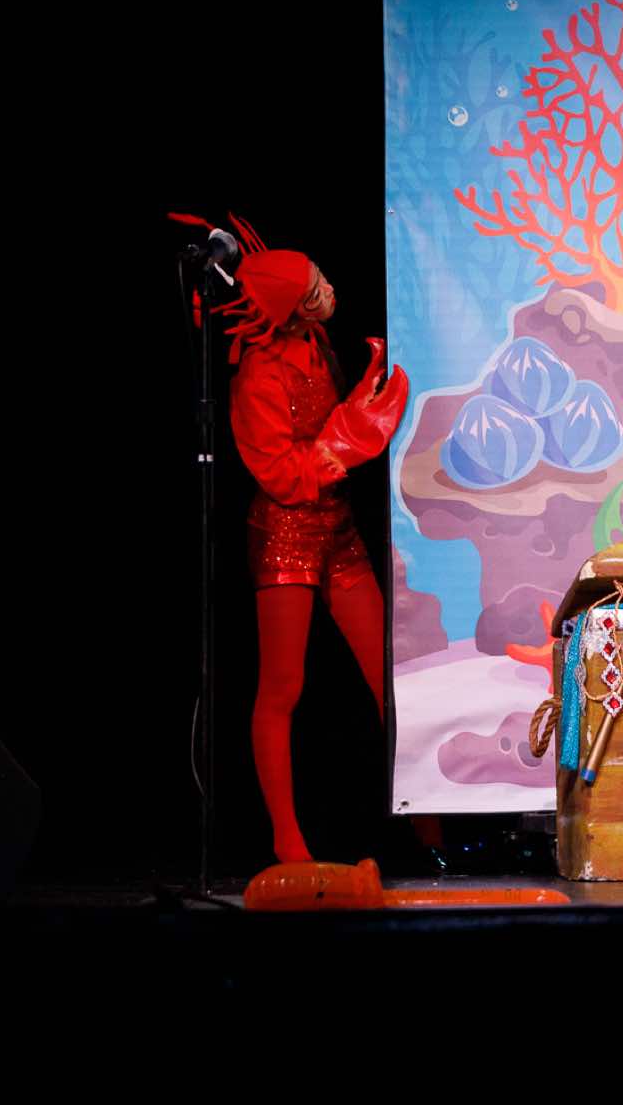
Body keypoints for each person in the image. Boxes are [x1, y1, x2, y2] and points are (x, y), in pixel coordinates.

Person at [196, 215, 410, 862]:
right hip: (286, 532)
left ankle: (429, 824)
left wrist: (358, 404)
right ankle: (289, 842)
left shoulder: (314, 340)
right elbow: (283, 477)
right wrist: (348, 438)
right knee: (282, 687)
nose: (328, 290)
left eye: (321, 278)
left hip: (336, 527)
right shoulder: (257, 377)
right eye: (315, 289)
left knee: (389, 674)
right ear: (290, 309)